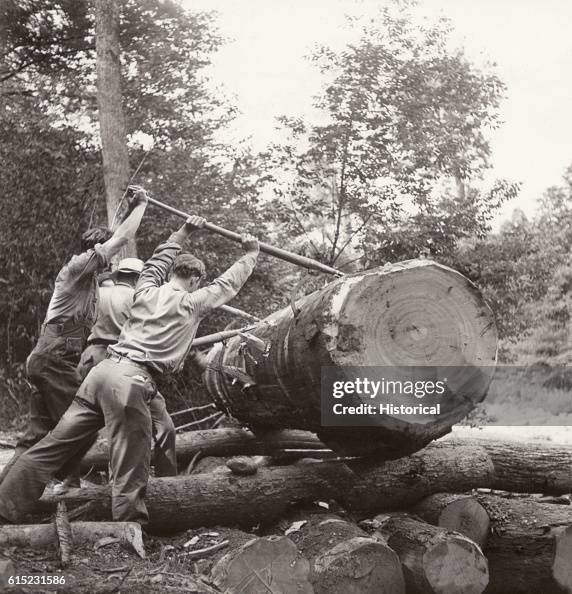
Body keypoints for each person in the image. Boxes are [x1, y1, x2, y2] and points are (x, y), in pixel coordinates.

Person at [0, 217, 259, 525]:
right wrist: (251, 253)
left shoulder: (146, 288)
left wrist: (184, 231)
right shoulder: (193, 302)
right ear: (194, 280)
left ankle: (5, 506)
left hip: (101, 374)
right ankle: (127, 528)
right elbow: (228, 283)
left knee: (53, 445)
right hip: (131, 381)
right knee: (130, 462)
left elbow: (158, 258)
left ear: (170, 273)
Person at [0, 187, 149, 485]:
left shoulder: (89, 280)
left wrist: (125, 209)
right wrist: (141, 206)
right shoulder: (78, 267)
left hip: (53, 359)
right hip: (53, 358)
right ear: (97, 251)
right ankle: (66, 485)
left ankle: (8, 494)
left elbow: (110, 236)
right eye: (108, 254)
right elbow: (119, 238)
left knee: (35, 437)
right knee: (80, 428)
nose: (113, 260)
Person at [77, 257, 177, 477]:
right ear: (138, 278)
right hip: (124, 363)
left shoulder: (97, 293)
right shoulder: (140, 298)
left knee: (85, 423)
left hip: (90, 358)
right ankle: (167, 482)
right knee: (162, 427)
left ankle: (80, 478)